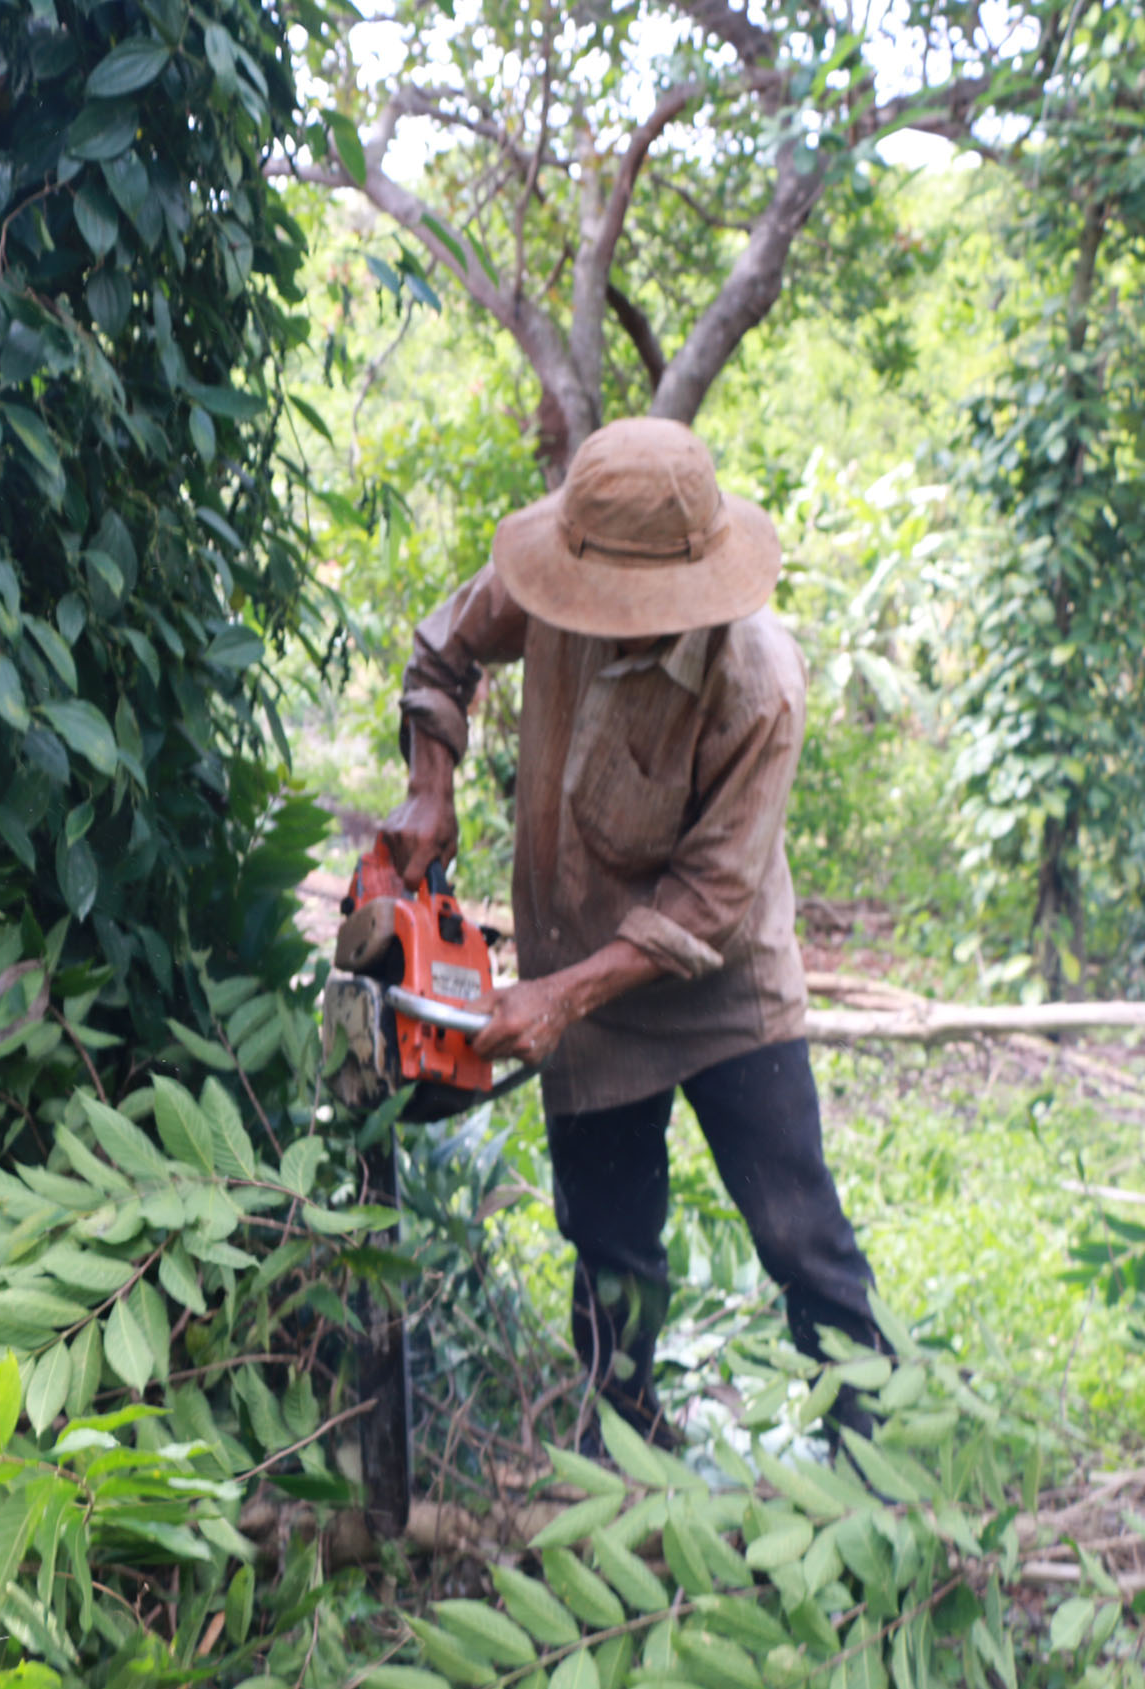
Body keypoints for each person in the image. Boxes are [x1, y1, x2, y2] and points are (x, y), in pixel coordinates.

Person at [382, 416, 884, 1449]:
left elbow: (708, 901)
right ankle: (621, 1458)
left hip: (723, 986)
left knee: (800, 1234)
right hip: (575, 963)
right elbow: (443, 652)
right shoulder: (546, 580)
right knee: (610, 1244)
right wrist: (428, 789)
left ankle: (871, 1473)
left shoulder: (758, 686)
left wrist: (555, 999)